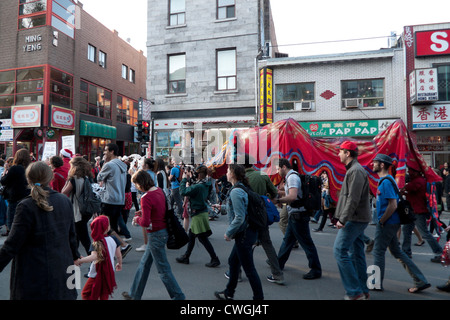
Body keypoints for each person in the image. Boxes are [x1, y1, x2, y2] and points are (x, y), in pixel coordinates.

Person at [0, 161, 79, 299]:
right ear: (50, 178)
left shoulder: (26, 205)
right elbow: (72, 237)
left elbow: (11, 245)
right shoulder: (63, 200)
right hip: (63, 269)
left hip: (34, 274)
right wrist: (75, 258)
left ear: (28, 179)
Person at [371, 154, 431, 293]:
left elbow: (392, 205)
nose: (372, 165)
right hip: (392, 222)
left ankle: (375, 283)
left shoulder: (385, 181)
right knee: (397, 251)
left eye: (375, 162)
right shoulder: (387, 180)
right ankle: (420, 280)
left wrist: (381, 220)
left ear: (381, 165)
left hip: (388, 223)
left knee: (378, 252)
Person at [122, 170, 185, 300]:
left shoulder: (146, 197)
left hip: (155, 235)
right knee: (144, 265)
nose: (137, 187)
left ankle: (178, 296)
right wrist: (144, 213)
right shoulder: (159, 191)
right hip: (162, 232)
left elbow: (145, 222)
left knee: (163, 270)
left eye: (136, 184)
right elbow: (159, 210)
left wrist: (136, 219)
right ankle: (134, 295)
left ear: (141, 183)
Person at [214, 164, 264, 300]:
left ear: (233, 174)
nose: (226, 173)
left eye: (228, 171)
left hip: (244, 234)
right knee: (233, 261)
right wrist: (222, 206)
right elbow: (239, 209)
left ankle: (258, 299)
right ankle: (229, 292)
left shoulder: (236, 191)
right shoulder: (241, 187)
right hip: (248, 232)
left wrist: (228, 233)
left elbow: (240, 217)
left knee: (249, 269)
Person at [333, 141, 371, 300]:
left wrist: (343, 219)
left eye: (340, 151)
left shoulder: (355, 171)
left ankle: (355, 292)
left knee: (339, 251)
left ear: (347, 153)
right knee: (357, 254)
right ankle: (362, 289)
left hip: (354, 219)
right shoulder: (354, 170)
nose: (338, 154)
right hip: (357, 218)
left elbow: (352, 199)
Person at [273, 158, 322, 280]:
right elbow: (291, 193)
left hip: (298, 215)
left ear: (284, 167)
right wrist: (279, 193)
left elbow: (293, 196)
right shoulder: (291, 177)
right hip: (295, 215)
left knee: (306, 243)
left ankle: (316, 269)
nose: (277, 171)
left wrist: (278, 200)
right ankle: (278, 263)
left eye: (278, 169)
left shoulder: (292, 177)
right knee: (287, 241)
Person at [244, 154, 284, 285]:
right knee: (267, 244)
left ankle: (235, 273)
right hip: (261, 216)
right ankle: (277, 274)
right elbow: (274, 193)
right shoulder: (262, 175)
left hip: (247, 218)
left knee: (242, 245)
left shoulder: (241, 178)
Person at [176, 165, 220, 268]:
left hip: (198, 213)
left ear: (199, 174)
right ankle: (186, 256)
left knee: (202, 238)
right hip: (201, 212)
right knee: (192, 235)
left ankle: (214, 258)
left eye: (196, 173)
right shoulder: (205, 184)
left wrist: (183, 180)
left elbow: (183, 192)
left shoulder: (199, 186)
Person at [400, 167, 443, 262]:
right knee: (407, 230)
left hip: (417, 211)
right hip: (414, 210)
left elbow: (407, 188)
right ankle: (406, 251)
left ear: (415, 172)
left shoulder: (418, 181)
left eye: (410, 170)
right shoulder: (419, 180)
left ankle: (439, 252)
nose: (408, 172)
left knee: (424, 233)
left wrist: (403, 189)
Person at [96, 143, 132, 258]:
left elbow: (99, 178)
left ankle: (123, 244)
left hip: (109, 199)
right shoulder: (123, 165)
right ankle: (115, 252)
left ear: (112, 152)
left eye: (106, 150)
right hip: (119, 199)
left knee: (104, 226)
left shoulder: (109, 165)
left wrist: (104, 163)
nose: (104, 153)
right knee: (113, 227)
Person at [76, 215, 122, 300]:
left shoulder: (97, 242)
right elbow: (118, 255)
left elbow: (94, 256)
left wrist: (80, 260)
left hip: (97, 273)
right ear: (107, 228)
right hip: (109, 271)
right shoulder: (114, 239)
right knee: (104, 295)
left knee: (86, 293)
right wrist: (119, 263)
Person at [62, 156, 95, 255]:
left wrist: (67, 179)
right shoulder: (86, 177)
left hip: (77, 210)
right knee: (77, 235)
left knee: (83, 237)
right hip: (85, 209)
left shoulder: (74, 179)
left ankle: (93, 257)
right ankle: (75, 256)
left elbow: (63, 192)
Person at [1, 149, 32, 235]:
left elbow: (3, 181)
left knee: (12, 221)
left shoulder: (15, 168)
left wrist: (5, 170)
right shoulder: (31, 167)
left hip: (15, 197)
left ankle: (13, 239)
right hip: (28, 196)